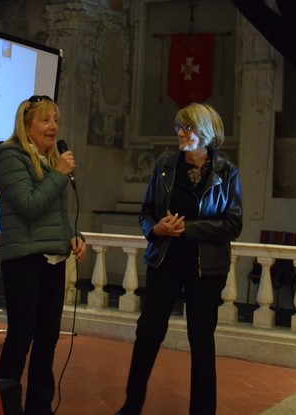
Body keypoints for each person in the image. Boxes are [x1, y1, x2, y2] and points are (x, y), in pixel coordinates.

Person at [116, 103, 243, 415]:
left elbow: (233, 224)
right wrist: (155, 228)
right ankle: (131, 406)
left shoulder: (227, 172)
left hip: (206, 268)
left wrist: (188, 228)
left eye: (188, 128)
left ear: (207, 133)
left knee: (201, 340)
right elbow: (146, 213)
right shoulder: (164, 167)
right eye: (179, 128)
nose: (181, 134)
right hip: (165, 261)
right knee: (148, 332)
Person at [0, 95, 86, 415]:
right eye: (45, 120)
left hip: (54, 260)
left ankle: (39, 409)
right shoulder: (9, 158)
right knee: (20, 337)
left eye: (56, 119)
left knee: (48, 339)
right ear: (26, 126)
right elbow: (29, 206)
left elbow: (55, 214)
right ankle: (3, 407)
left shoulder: (50, 160)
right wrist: (58, 174)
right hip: (24, 261)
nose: (54, 126)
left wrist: (73, 235)